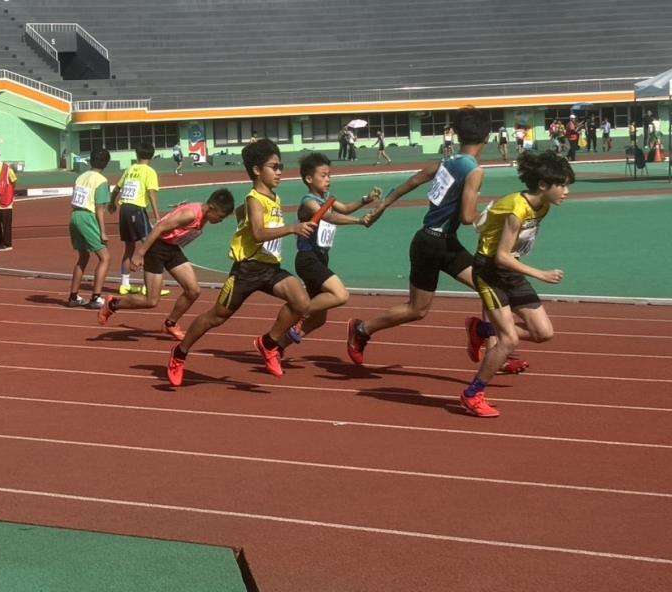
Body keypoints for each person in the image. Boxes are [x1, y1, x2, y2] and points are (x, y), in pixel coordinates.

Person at [349, 108, 496, 366]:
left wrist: (384, 204)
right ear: (487, 136)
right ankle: (361, 329)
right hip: (432, 244)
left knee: (490, 288)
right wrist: (488, 218)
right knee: (417, 310)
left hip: (443, 241)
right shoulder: (474, 170)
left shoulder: (447, 161)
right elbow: (467, 217)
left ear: (457, 135)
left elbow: (414, 180)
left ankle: (490, 347)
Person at [165, 139, 315, 386]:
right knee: (216, 317)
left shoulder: (272, 197)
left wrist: (242, 223)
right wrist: (293, 228)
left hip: (270, 268)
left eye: (280, 166)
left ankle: (268, 343)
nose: (279, 172)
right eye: (274, 167)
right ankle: (179, 353)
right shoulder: (254, 199)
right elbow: (258, 233)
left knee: (301, 302)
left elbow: (241, 214)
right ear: (257, 170)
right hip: (247, 271)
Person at [460, 150, 574, 417]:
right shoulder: (517, 207)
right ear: (543, 185)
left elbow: (514, 249)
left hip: (511, 270)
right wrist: (540, 274)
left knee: (543, 333)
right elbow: (501, 256)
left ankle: (482, 329)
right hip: (490, 271)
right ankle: (473, 394)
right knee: (508, 339)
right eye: (562, 185)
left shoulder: (543, 206)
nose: (566, 192)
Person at [100, 188, 235, 338]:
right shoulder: (190, 214)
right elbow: (159, 228)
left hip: (172, 248)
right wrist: (140, 255)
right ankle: (113, 304)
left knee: (193, 291)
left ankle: (170, 323)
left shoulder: (203, 214)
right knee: (151, 301)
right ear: (212, 208)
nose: (220, 221)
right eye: (220, 217)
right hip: (156, 248)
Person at [283, 154, 380, 349]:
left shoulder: (327, 198)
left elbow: (344, 208)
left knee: (319, 319)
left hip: (320, 259)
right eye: (323, 175)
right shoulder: (308, 202)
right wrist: (359, 221)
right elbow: (330, 217)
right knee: (340, 295)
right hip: (307, 259)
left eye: (329, 175)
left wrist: (366, 199)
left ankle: (277, 345)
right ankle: (300, 313)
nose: (328, 179)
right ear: (309, 179)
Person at [110, 142, 162, 296]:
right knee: (149, 246)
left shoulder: (130, 169)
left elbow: (116, 188)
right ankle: (148, 286)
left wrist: (112, 203)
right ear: (152, 156)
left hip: (124, 209)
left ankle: (125, 284)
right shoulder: (149, 171)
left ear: (137, 155)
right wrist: (157, 216)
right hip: (136, 209)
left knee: (129, 248)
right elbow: (151, 193)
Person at [66, 148, 113, 310]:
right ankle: (96, 297)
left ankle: (73, 297)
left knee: (83, 257)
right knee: (105, 258)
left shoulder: (81, 177)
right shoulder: (101, 181)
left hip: (75, 216)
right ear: (106, 163)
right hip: (88, 217)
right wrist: (103, 231)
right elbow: (99, 208)